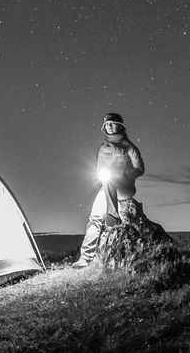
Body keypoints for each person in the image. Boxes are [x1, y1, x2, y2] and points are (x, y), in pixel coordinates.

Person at [72, 112, 145, 267]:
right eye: (107, 124)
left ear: (120, 126)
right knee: (95, 217)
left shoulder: (129, 147)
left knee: (110, 180)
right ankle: (85, 257)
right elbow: (99, 169)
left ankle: (112, 216)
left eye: (113, 123)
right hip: (107, 186)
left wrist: (125, 174)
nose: (110, 126)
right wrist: (101, 175)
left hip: (124, 187)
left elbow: (139, 168)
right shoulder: (102, 148)